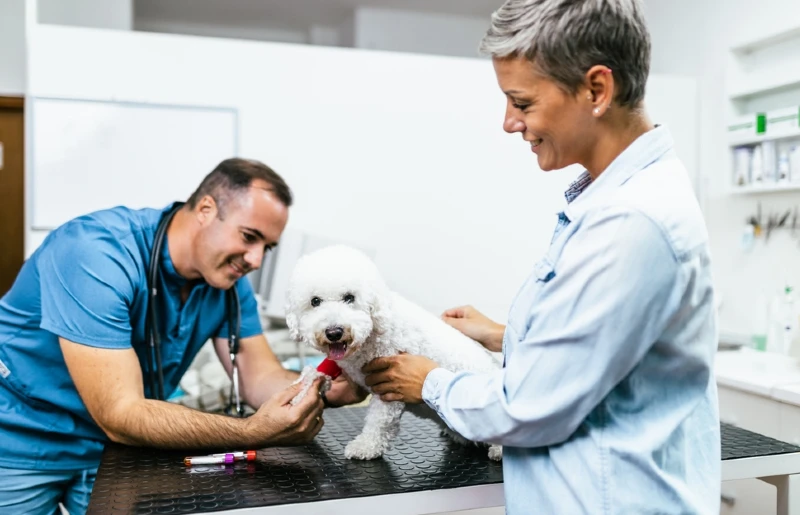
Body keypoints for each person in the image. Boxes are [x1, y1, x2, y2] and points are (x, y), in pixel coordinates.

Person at [362, 0, 721, 513]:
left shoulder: (631, 221)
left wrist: (431, 382)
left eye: (522, 102)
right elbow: (609, 351)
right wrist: (503, 335)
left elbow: (529, 408)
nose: (510, 122)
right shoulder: (615, 198)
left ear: (597, 90)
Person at [0, 158, 366, 514]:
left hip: (116, 454)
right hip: (22, 442)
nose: (255, 260)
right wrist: (253, 431)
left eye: (266, 247)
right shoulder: (94, 253)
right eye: (249, 237)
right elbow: (121, 412)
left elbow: (260, 380)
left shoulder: (226, 282)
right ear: (206, 209)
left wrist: (327, 385)